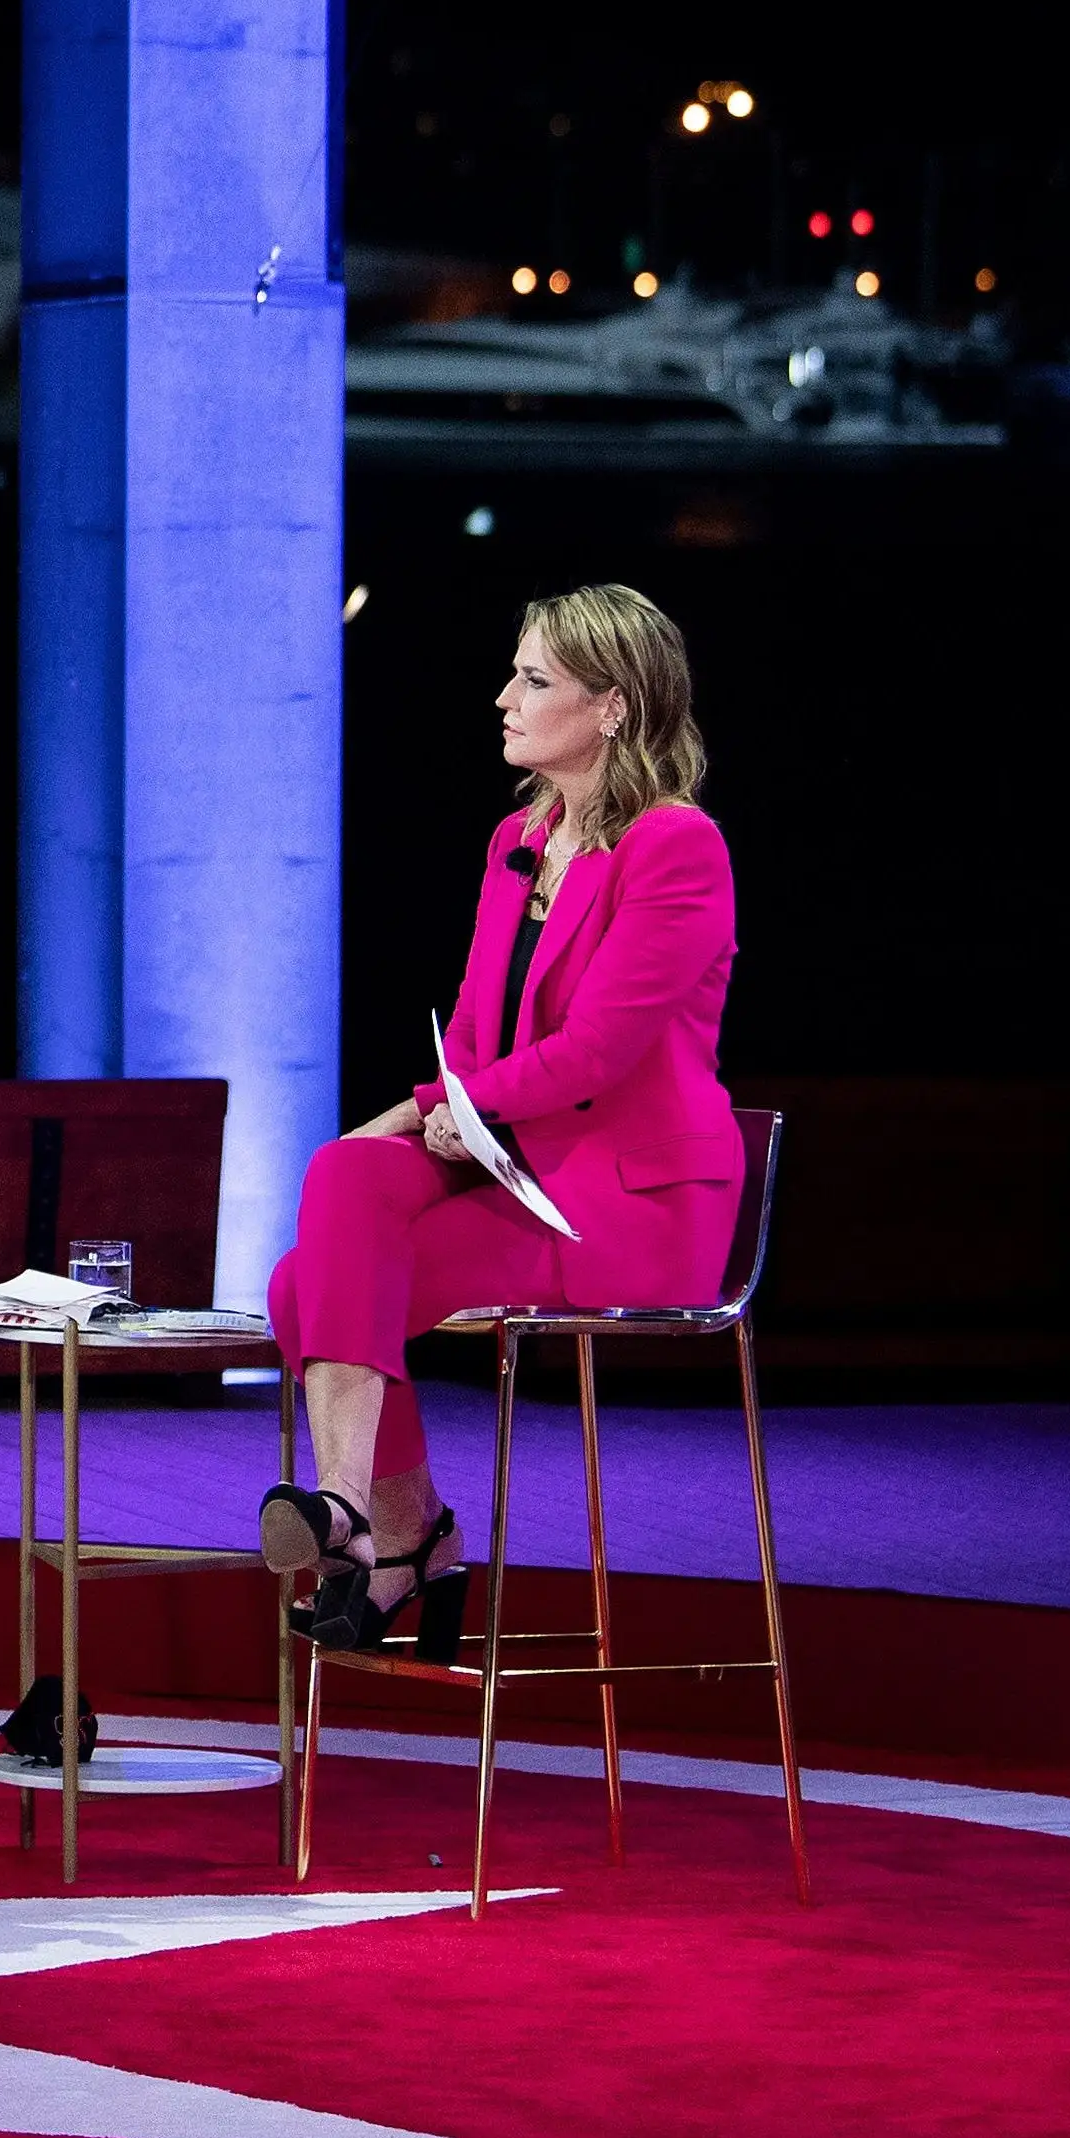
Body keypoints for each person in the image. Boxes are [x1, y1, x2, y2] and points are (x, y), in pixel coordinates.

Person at [258, 582, 742, 1657]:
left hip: (627, 1204)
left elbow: (602, 1053)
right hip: (519, 1165)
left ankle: (394, 1535)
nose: (501, 699)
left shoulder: (676, 847)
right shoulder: (518, 840)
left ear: (612, 706)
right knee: (339, 1187)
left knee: (308, 1288)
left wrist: (451, 1108)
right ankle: (365, 1513)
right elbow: (478, 1032)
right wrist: (415, 1111)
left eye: (533, 679)